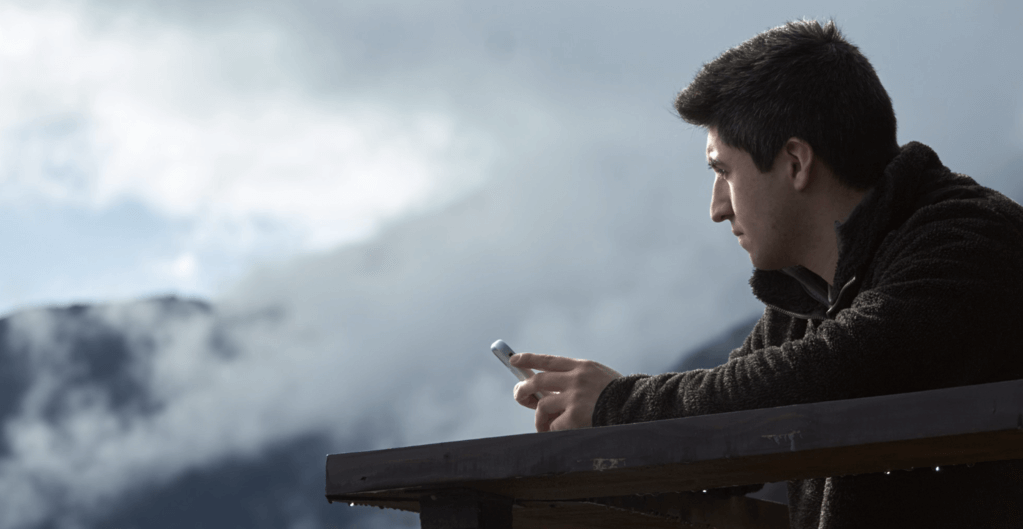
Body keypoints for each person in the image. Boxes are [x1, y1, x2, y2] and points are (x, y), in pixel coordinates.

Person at [511, 19, 1023, 528]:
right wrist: (598, 428)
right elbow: (726, 440)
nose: (716, 208)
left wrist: (619, 408)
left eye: (723, 172)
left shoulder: (974, 240)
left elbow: (834, 374)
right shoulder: (808, 296)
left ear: (796, 162)